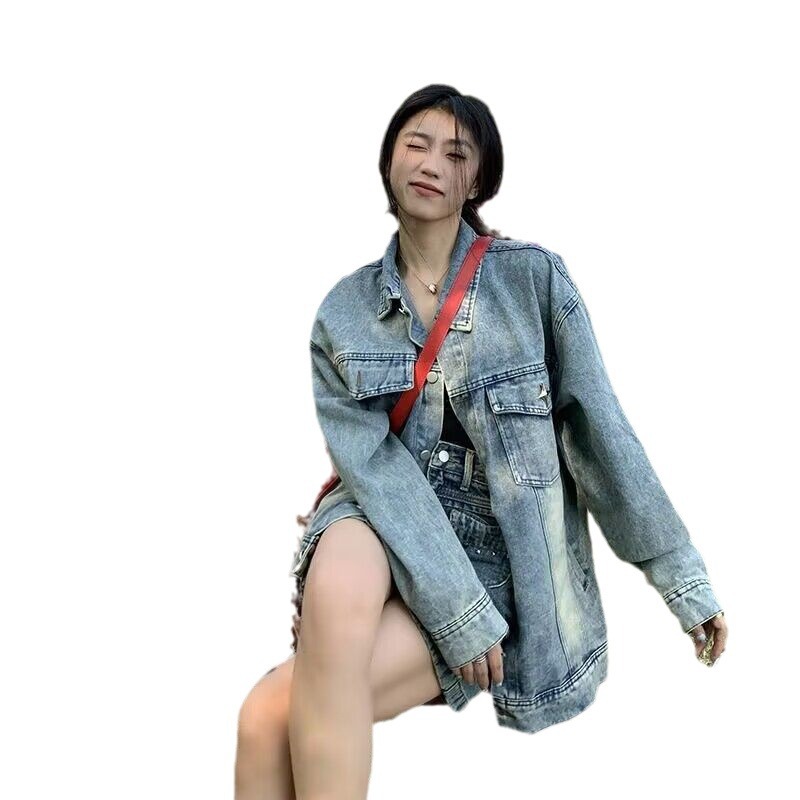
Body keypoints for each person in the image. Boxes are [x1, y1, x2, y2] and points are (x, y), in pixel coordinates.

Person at [235, 84, 728, 799]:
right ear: (389, 159)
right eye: (416, 143)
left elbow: (602, 437)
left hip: (493, 552)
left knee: (264, 718)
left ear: (477, 182)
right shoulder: (343, 313)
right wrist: (452, 608)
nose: (431, 163)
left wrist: (682, 581)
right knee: (338, 569)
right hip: (381, 518)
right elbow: (376, 474)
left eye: (456, 153)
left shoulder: (530, 281)